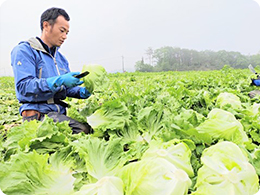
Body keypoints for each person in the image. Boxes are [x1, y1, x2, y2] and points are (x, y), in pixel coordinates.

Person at [11, 7, 92, 134]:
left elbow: (65, 88)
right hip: (38, 113)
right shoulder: (25, 50)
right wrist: (58, 81)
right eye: (62, 31)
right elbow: (24, 86)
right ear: (46, 26)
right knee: (82, 131)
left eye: (67, 33)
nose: (64, 36)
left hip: (57, 112)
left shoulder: (60, 59)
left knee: (90, 127)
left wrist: (81, 92)